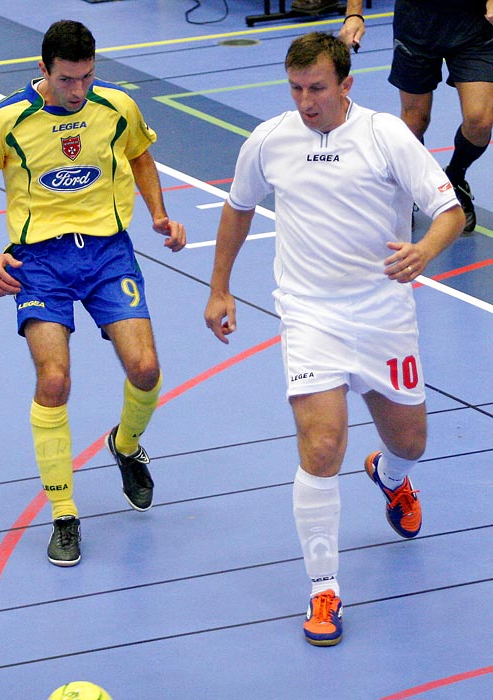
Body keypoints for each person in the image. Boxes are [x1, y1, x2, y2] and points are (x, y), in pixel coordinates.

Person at [204, 32, 464, 646]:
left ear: (346, 84)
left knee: (413, 440)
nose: (305, 102)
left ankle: (392, 476)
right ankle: (324, 590)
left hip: (383, 315)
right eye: (295, 89)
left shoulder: (386, 137)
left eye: (317, 88)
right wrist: (220, 288)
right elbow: (239, 207)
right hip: (309, 314)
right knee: (321, 447)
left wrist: (425, 249)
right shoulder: (269, 141)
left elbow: (450, 212)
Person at [0, 20, 186, 567]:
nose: (77, 91)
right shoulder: (8, 119)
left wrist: (158, 213)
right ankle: (64, 514)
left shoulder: (116, 107)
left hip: (107, 253)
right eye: (66, 80)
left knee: (146, 370)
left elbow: (140, 155)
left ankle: (125, 445)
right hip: (40, 261)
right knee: (54, 379)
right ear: (43, 70)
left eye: (85, 78)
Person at [340, 0, 493, 233]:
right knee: (415, 122)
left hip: (474, 25)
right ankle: (409, 187)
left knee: (480, 121)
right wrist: (354, 15)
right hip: (416, 23)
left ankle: (455, 178)